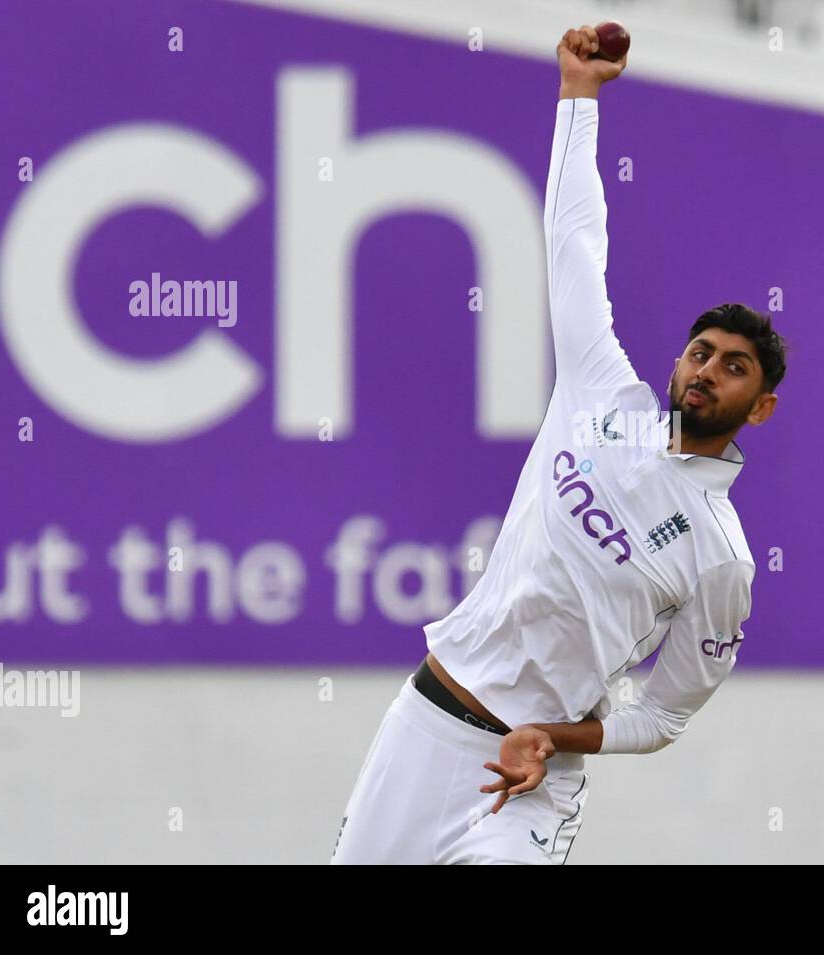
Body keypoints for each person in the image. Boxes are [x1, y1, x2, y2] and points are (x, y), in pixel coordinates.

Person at [330, 24, 787, 865]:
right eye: (700, 352)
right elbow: (574, 239)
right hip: (425, 727)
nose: (707, 372)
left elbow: (662, 714)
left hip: (530, 776)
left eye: (733, 368)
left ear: (758, 407)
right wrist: (580, 95)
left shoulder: (723, 559)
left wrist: (555, 732)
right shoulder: (598, 390)